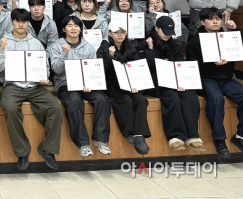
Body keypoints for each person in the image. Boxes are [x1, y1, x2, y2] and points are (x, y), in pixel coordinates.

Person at [0, 9, 61, 171]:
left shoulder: (36, 43)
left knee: (55, 107)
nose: (21, 24)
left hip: (35, 86)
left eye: (24, 21)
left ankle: (47, 149)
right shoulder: (3, 41)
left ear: (28, 23)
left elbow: (45, 67)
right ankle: (22, 152)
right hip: (13, 86)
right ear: (12, 22)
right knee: (10, 107)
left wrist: (44, 77)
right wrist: (1, 49)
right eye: (17, 21)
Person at [48, 16, 111, 157]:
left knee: (102, 99)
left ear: (81, 29)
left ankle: (100, 140)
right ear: (63, 29)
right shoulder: (56, 46)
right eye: (69, 26)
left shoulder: (88, 47)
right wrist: (65, 54)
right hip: (66, 84)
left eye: (76, 26)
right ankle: (82, 143)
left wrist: (89, 83)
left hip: (86, 84)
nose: (73, 28)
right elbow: (57, 70)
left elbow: (93, 70)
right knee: (74, 101)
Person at [141, 16, 204, 151]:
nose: (168, 35)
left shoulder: (173, 44)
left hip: (174, 80)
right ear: (156, 29)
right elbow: (148, 67)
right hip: (156, 82)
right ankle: (175, 137)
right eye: (165, 32)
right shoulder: (146, 43)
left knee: (189, 97)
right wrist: (150, 49)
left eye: (170, 33)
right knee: (172, 97)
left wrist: (181, 81)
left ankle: (193, 136)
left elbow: (179, 62)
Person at [186, 7, 243, 156]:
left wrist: (235, 30)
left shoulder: (227, 37)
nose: (215, 22)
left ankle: (240, 136)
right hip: (206, 78)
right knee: (217, 99)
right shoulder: (195, 41)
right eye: (211, 19)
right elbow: (192, 66)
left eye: (218, 19)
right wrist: (212, 63)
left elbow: (239, 46)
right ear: (203, 22)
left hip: (226, 79)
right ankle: (219, 139)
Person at [97, 21, 151, 155]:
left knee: (141, 100)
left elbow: (137, 68)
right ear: (110, 33)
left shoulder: (131, 48)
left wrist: (135, 84)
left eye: (122, 32)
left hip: (130, 85)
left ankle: (139, 135)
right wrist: (110, 56)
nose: (119, 35)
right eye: (116, 32)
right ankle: (130, 133)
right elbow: (102, 70)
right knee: (125, 100)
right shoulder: (104, 47)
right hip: (112, 85)